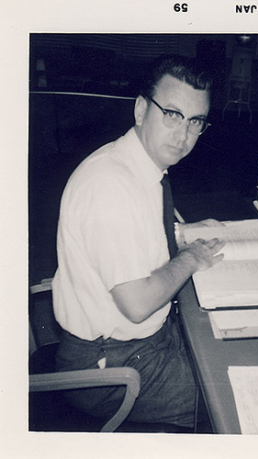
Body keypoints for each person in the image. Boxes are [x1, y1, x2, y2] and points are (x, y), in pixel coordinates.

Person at [51, 55, 225, 430]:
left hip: (143, 342)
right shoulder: (111, 186)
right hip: (111, 365)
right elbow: (136, 304)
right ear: (141, 109)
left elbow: (137, 237)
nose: (183, 136)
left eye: (195, 121)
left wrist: (184, 234)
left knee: (229, 347)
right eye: (173, 114)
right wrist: (191, 257)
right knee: (228, 401)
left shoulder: (140, 166)